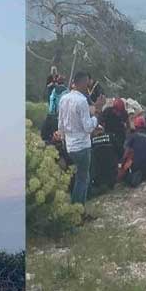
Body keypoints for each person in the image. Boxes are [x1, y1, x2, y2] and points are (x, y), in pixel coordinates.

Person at [58, 71, 104, 205]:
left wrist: (64, 139)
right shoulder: (82, 101)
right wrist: (98, 111)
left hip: (69, 145)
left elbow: (60, 124)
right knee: (82, 179)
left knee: (80, 177)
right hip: (82, 146)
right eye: (87, 83)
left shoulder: (64, 99)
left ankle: (76, 207)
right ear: (83, 83)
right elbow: (88, 127)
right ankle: (78, 210)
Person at [119, 116, 146, 188]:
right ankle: (143, 175)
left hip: (138, 165)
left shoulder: (132, 136)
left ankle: (131, 177)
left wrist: (121, 163)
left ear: (135, 126)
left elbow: (126, 152)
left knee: (127, 166)